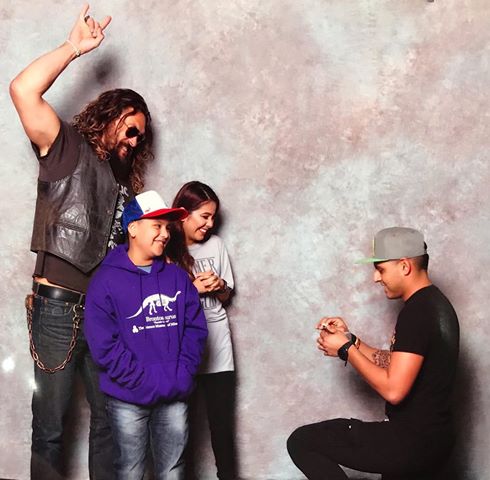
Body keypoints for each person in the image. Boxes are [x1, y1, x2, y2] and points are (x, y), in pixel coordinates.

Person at [9, 5, 154, 479]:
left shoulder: (123, 187)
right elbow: (22, 90)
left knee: (109, 422)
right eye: (130, 129)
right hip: (56, 308)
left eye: (141, 139)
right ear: (112, 116)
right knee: (50, 427)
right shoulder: (64, 145)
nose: (133, 142)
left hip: (104, 316)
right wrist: (74, 47)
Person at [287, 227, 460, 480]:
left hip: (411, 442)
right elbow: (399, 364)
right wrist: (352, 341)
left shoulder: (418, 313)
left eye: (380, 269)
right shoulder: (435, 304)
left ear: (404, 266)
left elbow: (394, 390)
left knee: (302, 441)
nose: (375, 278)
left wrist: (345, 350)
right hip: (433, 440)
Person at [84, 190, 208, 480]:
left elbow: (196, 330)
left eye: (167, 226)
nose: (165, 234)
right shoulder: (105, 280)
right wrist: (142, 381)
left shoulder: (177, 276)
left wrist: (182, 375)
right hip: (127, 398)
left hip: (175, 394)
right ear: (133, 228)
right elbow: (103, 345)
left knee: (173, 471)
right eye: (157, 225)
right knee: (130, 471)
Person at [166, 181, 238, 480]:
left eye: (213, 218)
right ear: (183, 214)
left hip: (218, 347)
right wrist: (191, 289)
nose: (209, 225)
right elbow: (161, 306)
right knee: (178, 427)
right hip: (181, 351)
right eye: (204, 217)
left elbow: (227, 297)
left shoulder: (216, 246)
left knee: (222, 427)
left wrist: (220, 286)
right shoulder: (164, 246)